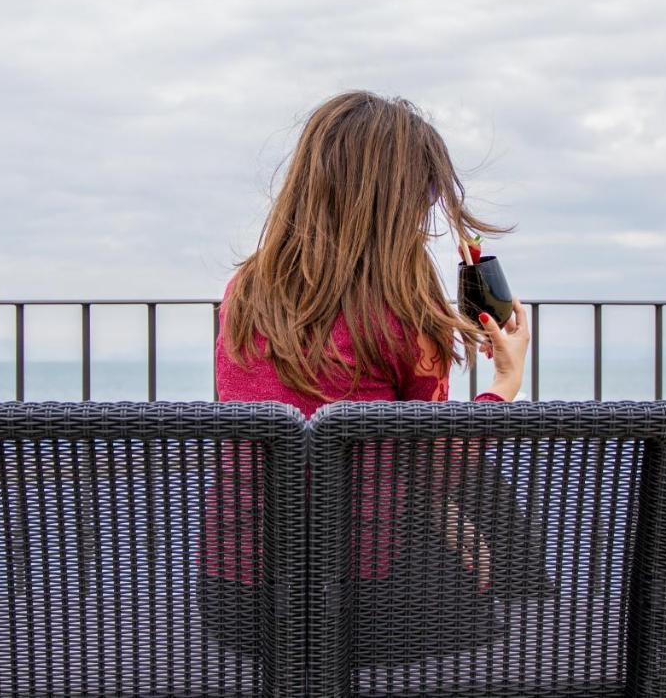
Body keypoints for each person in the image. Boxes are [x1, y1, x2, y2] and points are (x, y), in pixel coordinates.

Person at [197, 91, 542, 663]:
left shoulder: (243, 293)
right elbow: (440, 465)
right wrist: (504, 380)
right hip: (366, 607)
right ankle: (536, 601)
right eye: (426, 195)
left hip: (239, 605)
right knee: (500, 550)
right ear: (398, 200)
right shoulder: (403, 311)